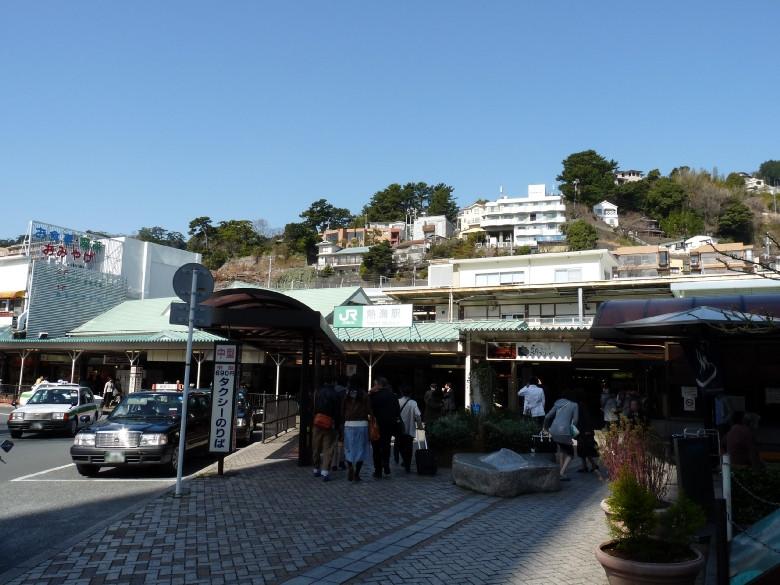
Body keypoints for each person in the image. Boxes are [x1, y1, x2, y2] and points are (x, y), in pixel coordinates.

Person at [369, 376, 401, 479]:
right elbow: (397, 411)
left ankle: (378, 470)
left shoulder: (374, 396)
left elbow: (370, 409)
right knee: (386, 445)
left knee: (376, 447)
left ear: (378, 385)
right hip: (389, 424)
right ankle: (386, 464)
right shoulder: (393, 396)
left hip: (377, 425)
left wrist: (370, 392)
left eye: (375, 384)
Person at [543, 392, 579, 481]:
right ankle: (562, 473)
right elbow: (575, 420)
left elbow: (547, 417)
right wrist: (572, 430)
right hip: (565, 432)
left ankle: (561, 471)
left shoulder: (557, 403)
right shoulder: (574, 405)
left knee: (562, 449)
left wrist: (545, 428)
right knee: (571, 454)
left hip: (553, 430)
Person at [342, 377, 372, 481]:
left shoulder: (346, 395)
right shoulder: (364, 395)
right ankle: (357, 474)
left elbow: (342, 410)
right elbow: (369, 410)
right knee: (361, 449)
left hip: (348, 424)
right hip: (362, 424)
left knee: (348, 448)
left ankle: (350, 466)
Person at [311, 380, 341, 482]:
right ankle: (325, 471)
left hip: (317, 421)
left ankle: (316, 468)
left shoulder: (317, 392)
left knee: (316, 446)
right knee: (328, 448)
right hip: (329, 423)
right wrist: (337, 425)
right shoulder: (335, 394)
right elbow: (337, 411)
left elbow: (313, 407)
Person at [397, 385, 422, 472]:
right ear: (410, 393)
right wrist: (420, 425)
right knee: (409, 447)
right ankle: (407, 464)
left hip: (399, 428)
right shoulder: (413, 403)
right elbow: (418, 415)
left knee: (400, 446)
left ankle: (404, 460)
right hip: (410, 429)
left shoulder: (398, 401)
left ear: (401, 392)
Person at [575, 395, 599, 473]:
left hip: (583, 432)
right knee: (584, 449)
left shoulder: (580, 407)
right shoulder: (584, 407)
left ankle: (590, 465)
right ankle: (588, 466)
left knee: (584, 450)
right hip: (584, 432)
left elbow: (582, 421)